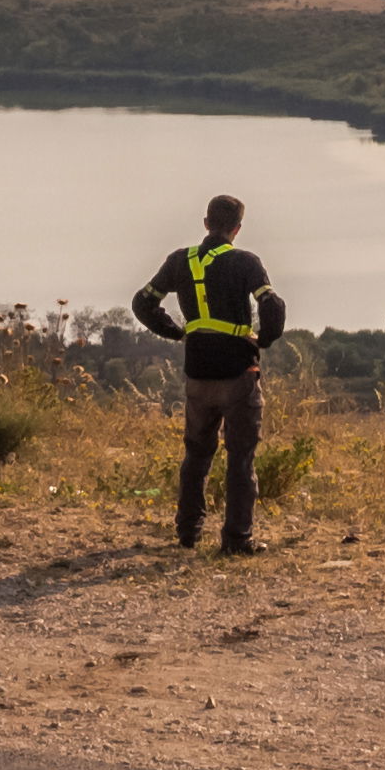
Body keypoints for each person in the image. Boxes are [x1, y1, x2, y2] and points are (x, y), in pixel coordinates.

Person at [130, 194, 287, 552]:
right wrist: (263, 339)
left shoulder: (179, 261)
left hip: (197, 374)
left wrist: (176, 331)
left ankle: (188, 532)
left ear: (205, 223)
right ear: (237, 228)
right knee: (241, 457)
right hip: (238, 373)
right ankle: (237, 540)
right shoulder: (246, 262)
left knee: (197, 454)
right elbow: (272, 304)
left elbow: (143, 302)